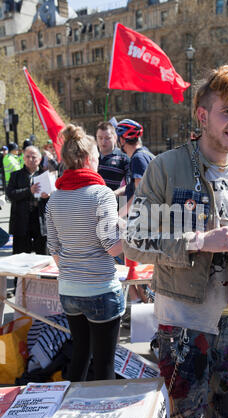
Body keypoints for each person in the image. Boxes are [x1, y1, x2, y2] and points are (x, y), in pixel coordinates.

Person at [122, 65, 228, 418]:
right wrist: (198, 240)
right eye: (227, 111)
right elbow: (134, 240)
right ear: (202, 115)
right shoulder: (167, 168)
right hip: (182, 323)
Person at [46, 124, 124, 382]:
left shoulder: (54, 199)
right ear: (89, 159)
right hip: (100, 288)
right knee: (104, 364)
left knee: (80, 353)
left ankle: (69, 406)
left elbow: (55, 252)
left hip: (69, 290)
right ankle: (105, 416)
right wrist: (132, 232)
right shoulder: (101, 194)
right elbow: (112, 246)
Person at [6, 145, 49, 256]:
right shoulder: (15, 175)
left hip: (40, 221)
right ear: (23, 158)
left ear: (39, 159)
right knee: (20, 258)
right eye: (28, 156)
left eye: (34, 157)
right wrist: (29, 191)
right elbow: (10, 195)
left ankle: (44, 274)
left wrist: (48, 196)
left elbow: (55, 199)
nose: (31, 159)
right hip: (21, 221)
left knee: (43, 257)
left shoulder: (45, 175)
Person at [116, 119, 154, 216]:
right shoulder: (145, 153)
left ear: (122, 140)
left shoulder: (138, 159)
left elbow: (140, 195)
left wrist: (120, 215)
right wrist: (115, 193)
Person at [96, 121, 130, 193]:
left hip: (118, 202)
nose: (103, 142)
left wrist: (114, 194)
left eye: (107, 138)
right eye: (100, 138)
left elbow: (130, 185)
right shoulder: (92, 157)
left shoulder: (124, 158)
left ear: (115, 138)